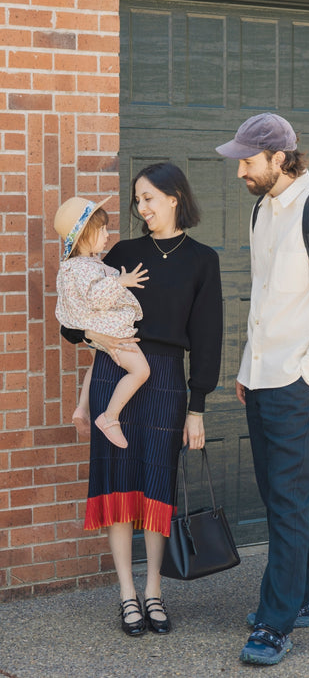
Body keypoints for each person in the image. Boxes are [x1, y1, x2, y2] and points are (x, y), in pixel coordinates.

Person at [216, 113, 309, 666]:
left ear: (280, 158)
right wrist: (248, 367)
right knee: (281, 497)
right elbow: (266, 298)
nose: (240, 172)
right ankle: (306, 597)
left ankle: (276, 623)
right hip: (262, 377)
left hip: (299, 380)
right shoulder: (261, 211)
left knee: (290, 498)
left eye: (248, 162)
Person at [60, 163, 223, 636]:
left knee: (155, 488)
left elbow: (207, 339)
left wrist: (198, 408)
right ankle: (127, 595)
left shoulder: (202, 260)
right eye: (137, 200)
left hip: (167, 379)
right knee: (118, 487)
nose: (141, 208)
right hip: (117, 370)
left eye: (149, 198)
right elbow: (71, 322)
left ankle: (154, 591)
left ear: (175, 197)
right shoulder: (121, 253)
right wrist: (96, 344)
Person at [54, 196, 150, 449]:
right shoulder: (86, 268)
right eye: (101, 229)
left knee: (96, 364)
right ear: (84, 235)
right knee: (141, 371)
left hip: (96, 331)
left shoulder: (74, 266)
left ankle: (82, 408)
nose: (107, 234)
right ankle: (109, 417)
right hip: (113, 332)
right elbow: (96, 297)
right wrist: (121, 281)